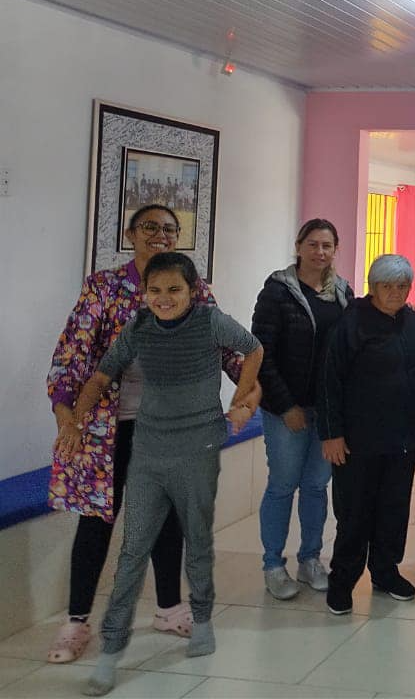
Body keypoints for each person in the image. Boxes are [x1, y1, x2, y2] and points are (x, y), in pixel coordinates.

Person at [45, 204, 245, 665]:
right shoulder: (103, 287)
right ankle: (76, 622)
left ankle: (169, 609)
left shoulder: (194, 288)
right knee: (97, 521)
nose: (160, 235)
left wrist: (257, 388)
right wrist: (67, 418)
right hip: (107, 428)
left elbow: (225, 348)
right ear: (131, 233)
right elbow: (71, 357)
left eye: (169, 229)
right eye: (150, 227)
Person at [79, 252, 262, 696]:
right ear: (145, 293)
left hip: (198, 448)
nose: (164, 298)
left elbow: (254, 348)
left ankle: (202, 621)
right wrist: (73, 421)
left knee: (196, 539)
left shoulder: (211, 321)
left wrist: (241, 398)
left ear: (192, 291)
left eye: (174, 289)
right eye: (155, 290)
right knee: (132, 550)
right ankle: (110, 652)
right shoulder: (138, 327)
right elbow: (102, 376)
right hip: (149, 450)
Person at [317, 254, 415, 615]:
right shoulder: (351, 324)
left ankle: (385, 571)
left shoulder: (412, 322)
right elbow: (329, 381)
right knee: (355, 514)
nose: (396, 292)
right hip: (357, 441)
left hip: (401, 439)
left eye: (403, 286)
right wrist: (332, 434)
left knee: (394, 510)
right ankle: (342, 581)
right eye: (388, 286)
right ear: (373, 287)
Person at [252, 218, 354, 600]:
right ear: (298, 247)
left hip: (326, 411)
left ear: (335, 250)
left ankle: (310, 559)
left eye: (327, 246)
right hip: (287, 411)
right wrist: (285, 406)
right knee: (282, 485)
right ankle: (272, 565)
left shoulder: (342, 293)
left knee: (316, 486)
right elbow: (261, 354)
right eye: (312, 244)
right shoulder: (277, 292)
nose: (320, 252)